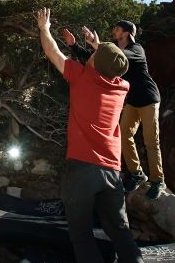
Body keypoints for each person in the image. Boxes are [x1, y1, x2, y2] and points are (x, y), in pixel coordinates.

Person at [37, 8, 149, 263]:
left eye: (95, 54)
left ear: (96, 64)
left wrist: (44, 28)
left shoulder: (83, 78)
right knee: (121, 232)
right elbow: (113, 63)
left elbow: (53, 53)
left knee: (81, 234)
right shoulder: (121, 86)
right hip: (112, 170)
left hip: (82, 168)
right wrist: (94, 46)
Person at [63, 20, 165, 198]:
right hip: (133, 100)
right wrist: (74, 45)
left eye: (117, 29)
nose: (114, 31)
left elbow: (118, 55)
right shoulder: (113, 51)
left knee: (151, 141)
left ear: (126, 33)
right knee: (124, 135)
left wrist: (97, 44)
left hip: (149, 99)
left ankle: (158, 181)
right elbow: (95, 59)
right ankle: (137, 173)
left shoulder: (137, 49)